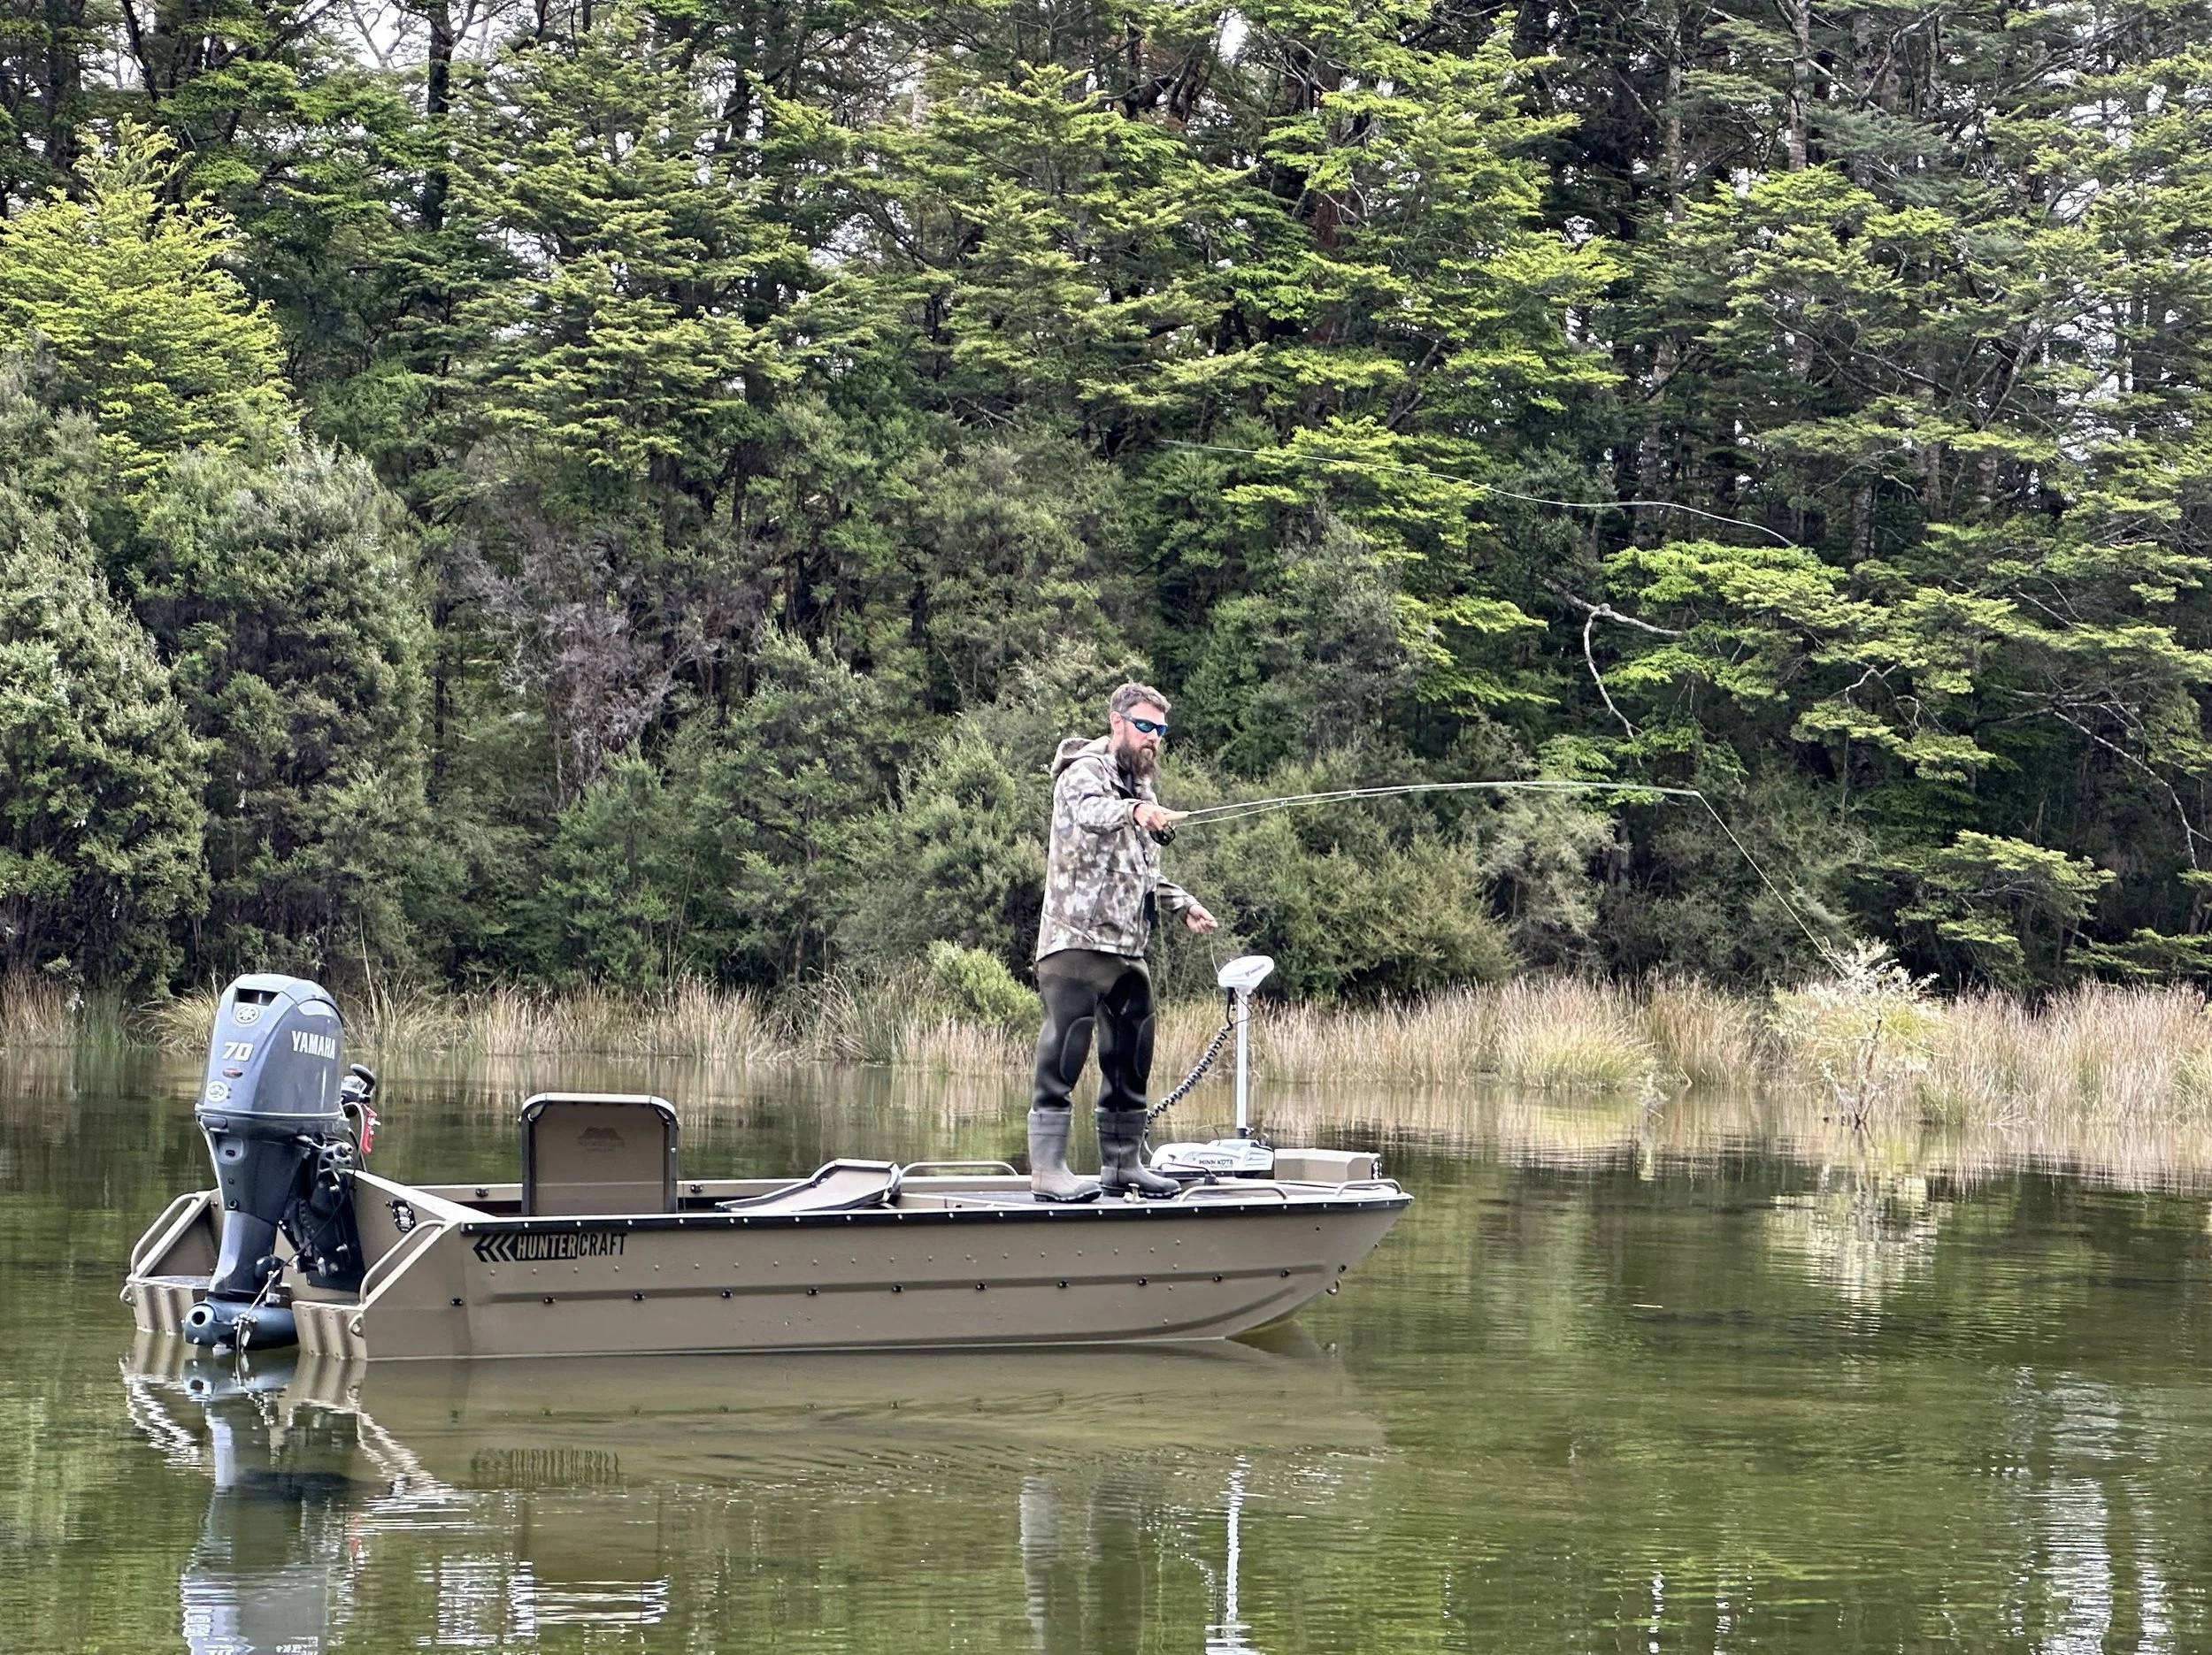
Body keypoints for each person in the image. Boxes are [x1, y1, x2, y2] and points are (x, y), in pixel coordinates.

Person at [1029, 683, 1218, 1201]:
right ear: (1117, 723)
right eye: (1143, 726)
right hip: (1075, 941)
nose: (1152, 738)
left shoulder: (1144, 790)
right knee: (1066, 1051)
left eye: (1160, 730)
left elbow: (1140, 871)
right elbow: (1092, 814)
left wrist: (1183, 904)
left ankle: (1122, 1165)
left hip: (1126, 948)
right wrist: (1135, 812)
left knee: (1133, 1050)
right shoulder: (1082, 771)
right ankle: (1047, 1171)